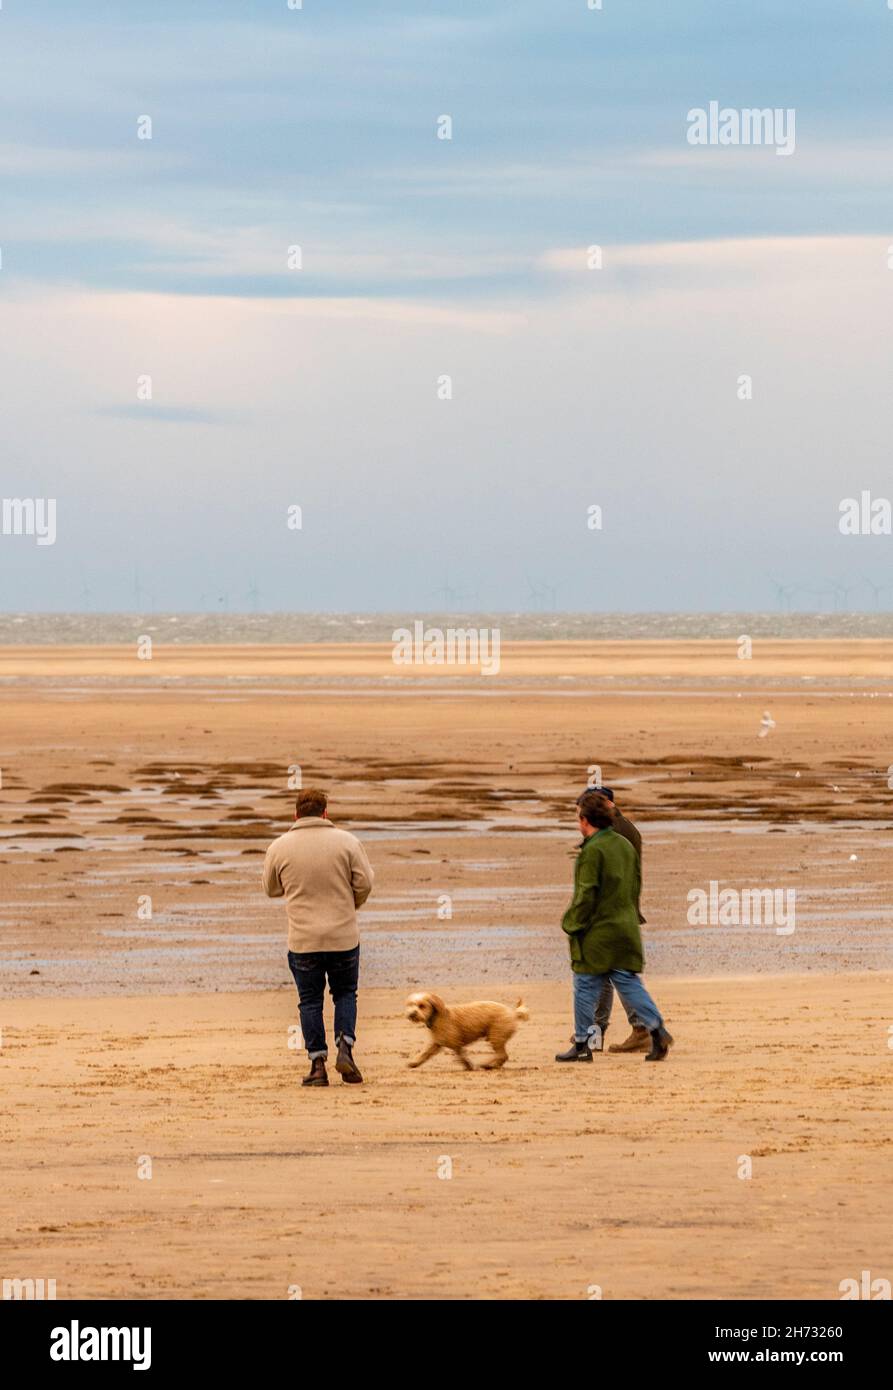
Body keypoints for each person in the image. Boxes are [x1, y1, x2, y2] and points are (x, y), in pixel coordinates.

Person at [263, 787, 374, 1087]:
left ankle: (317, 1065)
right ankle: (345, 1048)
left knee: (309, 1001)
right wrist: (351, 905)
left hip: (303, 940)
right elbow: (365, 883)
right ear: (326, 812)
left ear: (296, 814)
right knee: (345, 994)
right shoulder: (348, 842)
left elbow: (270, 888)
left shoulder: (279, 846)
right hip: (343, 937)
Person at [555, 789, 673, 1063]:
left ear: (585, 820)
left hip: (599, 931)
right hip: (626, 924)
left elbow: (586, 894)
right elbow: (636, 884)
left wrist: (571, 923)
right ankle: (656, 1030)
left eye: (578, 818)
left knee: (585, 983)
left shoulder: (592, 851)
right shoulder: (625, 845)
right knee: (628, 981)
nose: (578, 823)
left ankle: (582, 1043)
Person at [579, 787, 651, 1054]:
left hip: (613, 915)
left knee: (616, 974)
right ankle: (600, 1032)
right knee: (609, 974)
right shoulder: (618, 829)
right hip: (619, 912)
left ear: (607, 803)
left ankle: (643, 1028)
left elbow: (609, 877)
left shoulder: (615, 833)